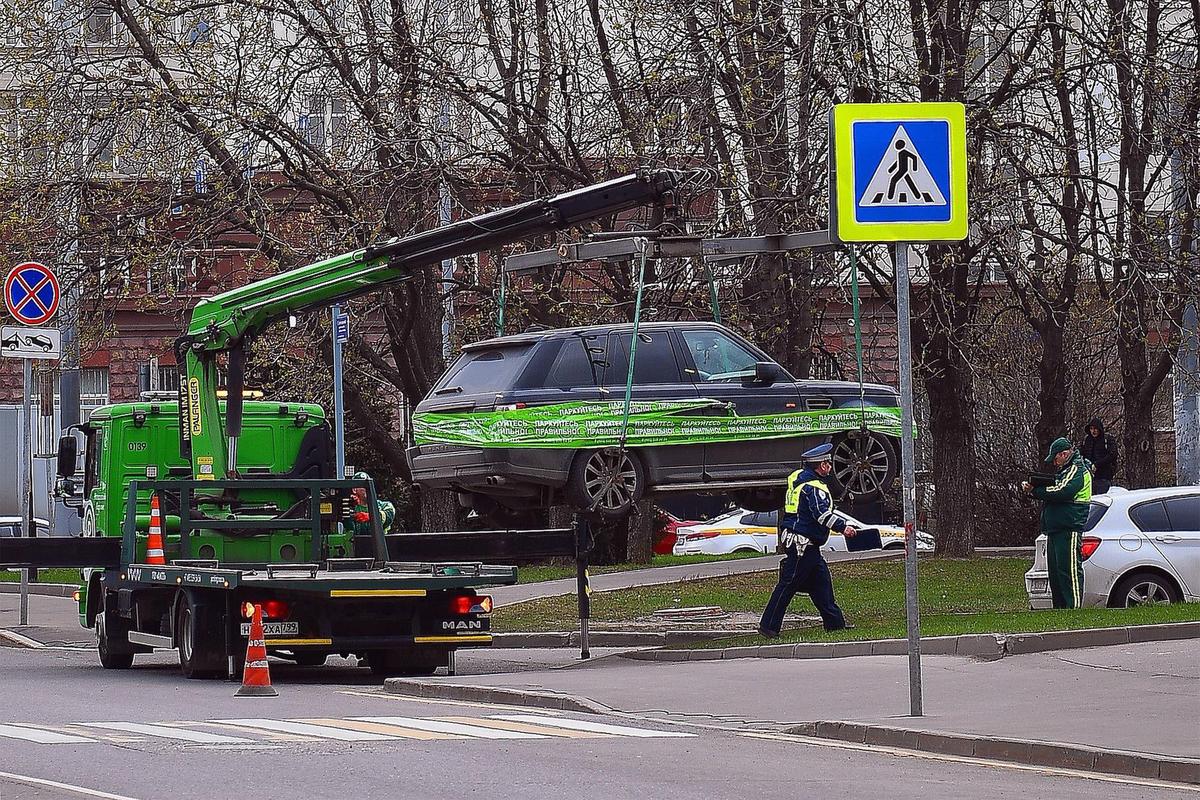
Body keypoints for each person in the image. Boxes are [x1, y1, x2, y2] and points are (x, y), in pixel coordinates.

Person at [758, 443, 856, 637]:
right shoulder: (814, 488)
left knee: (822, 584)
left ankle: (835, 624)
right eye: (827, 463)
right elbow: (821, 515)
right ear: (820, 466)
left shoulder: (797, 479)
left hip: (805, 544)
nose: (829, 466)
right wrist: (843, 527)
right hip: (802, 544)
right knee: (787, 585)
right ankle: (768, 626)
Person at [1022, 438, 1092, 609]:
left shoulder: (1078, 470)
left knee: (1069, 573)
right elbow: (1056, 486)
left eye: (1056, 458)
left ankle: (1072, 608)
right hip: (1057, 529)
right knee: (1056, 574)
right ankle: (1060, 609)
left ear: (1064, 454)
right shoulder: (1065, 470)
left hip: (1069, 527)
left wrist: (1036, 491)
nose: (1054, 462)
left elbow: (1062, 491)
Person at [349, 471, 396, 536]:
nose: (366, 489)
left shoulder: (383, 505)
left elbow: (390, 513)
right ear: (354, 489)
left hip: (379, 545)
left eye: (368, 486)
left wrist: (370, 516)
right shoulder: (350, 508)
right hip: (356, 545)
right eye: (363, 486)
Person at [1079, 418, 1118, 494]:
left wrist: (1097, 464)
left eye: (1095, 429)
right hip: (1089, 476)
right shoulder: (1087, 440)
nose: (1093, 431)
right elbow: (1082, 452)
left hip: (1104, 476)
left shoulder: (1107, 439)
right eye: (1091, 429)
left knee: (1102, 500)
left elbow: (1113, 455)